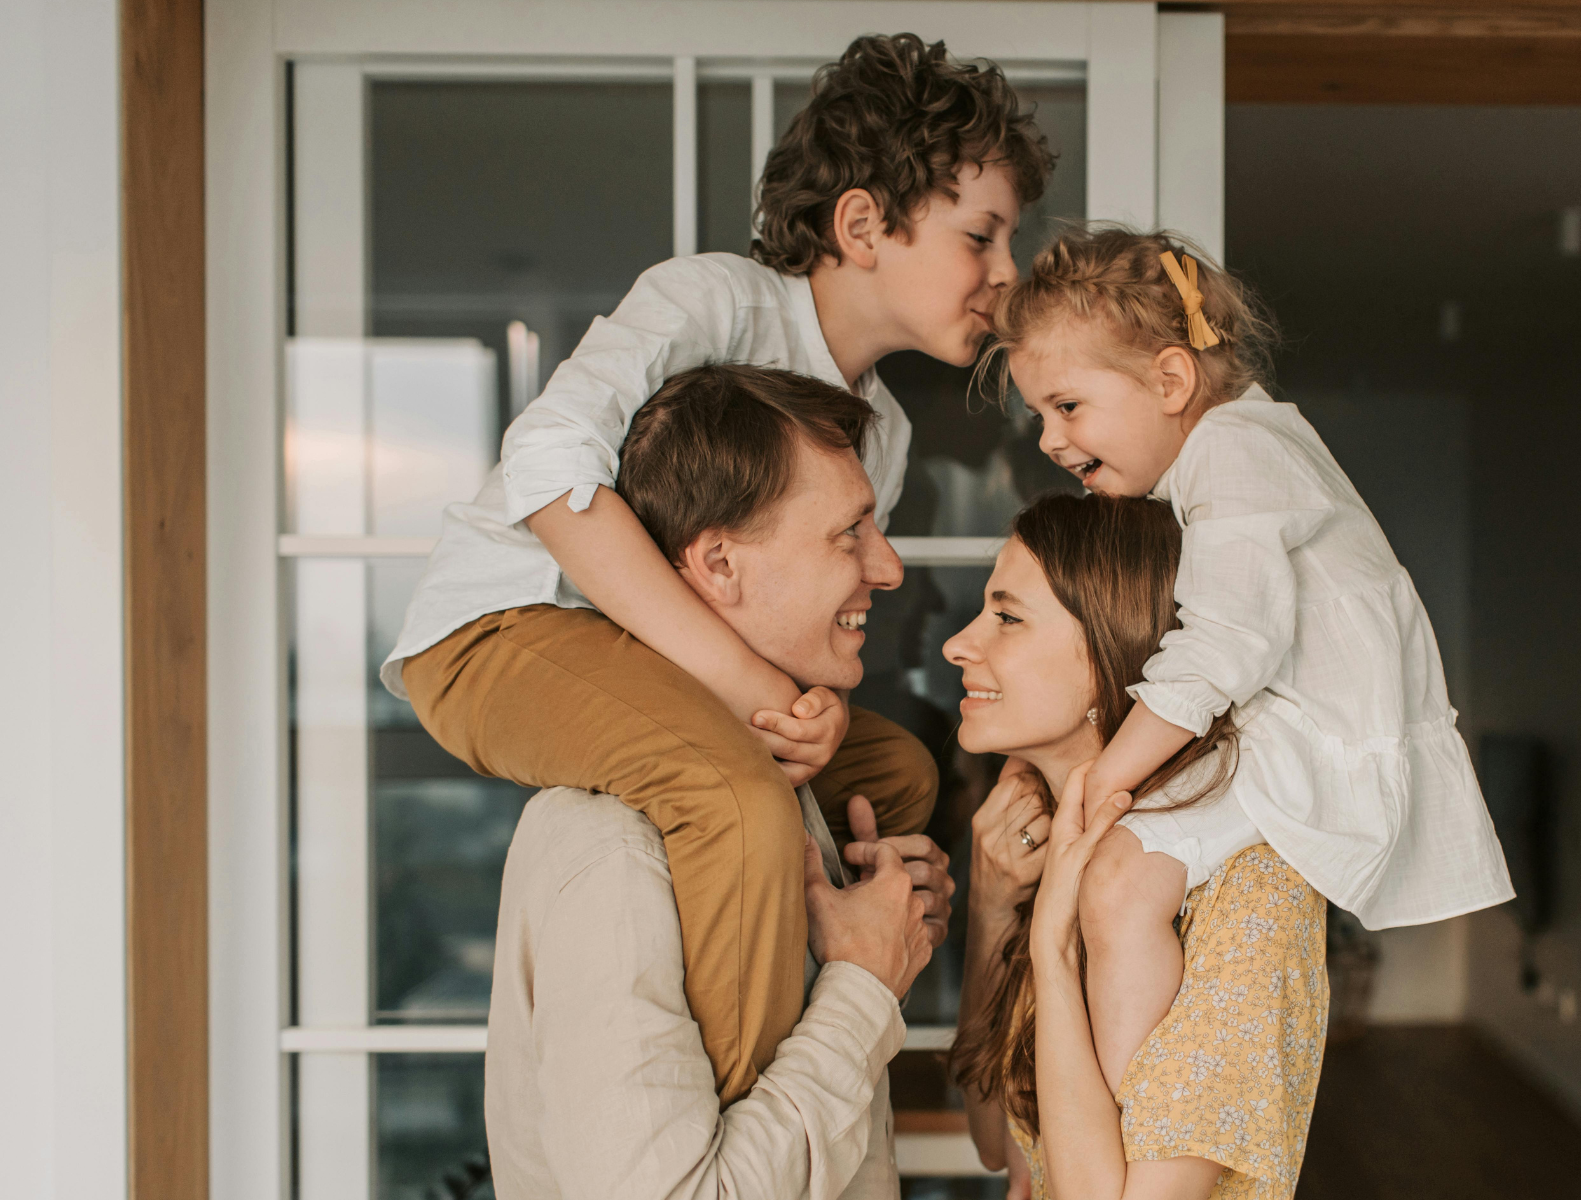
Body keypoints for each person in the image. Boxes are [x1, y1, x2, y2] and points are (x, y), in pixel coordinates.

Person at [386, 35, 1052, 1104]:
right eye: (982, 235)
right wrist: (755, 690)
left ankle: (806, 975)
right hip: (505, 631)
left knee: (897, 780)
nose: (1006, 274)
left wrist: (814, 709)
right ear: (863, 225)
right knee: (734, 795)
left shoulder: (878, 433)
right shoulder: (711, 303)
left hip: (665, 670)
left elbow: (790, 630)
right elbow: (547, 468)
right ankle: (741, 1126)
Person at [987, 226, 1515, 1096]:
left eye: (1067, 406)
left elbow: (1224, 647)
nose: (1049, 438)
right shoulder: (1240, 448)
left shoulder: (1234, 450)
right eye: (1039, 413)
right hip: (1295, 729)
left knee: (1118, 877)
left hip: (1319, 740)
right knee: (1120, 878)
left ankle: (1126, 1130)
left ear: (1170, 379)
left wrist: (1102, 782)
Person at [486, 363, 956, 1199]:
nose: (886, 569)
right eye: (848, 532)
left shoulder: (789, 796)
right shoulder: (614, 848)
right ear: (719, 564)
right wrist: (860, 989)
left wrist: (882, 929)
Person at [946, 493, 1328, 1199]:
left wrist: (1053, 951)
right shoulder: (1058, 846)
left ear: (1107, 649)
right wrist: (997, 906)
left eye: (1006, 617)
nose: (958, 644)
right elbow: (997, 1141)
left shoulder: (1251, 888)